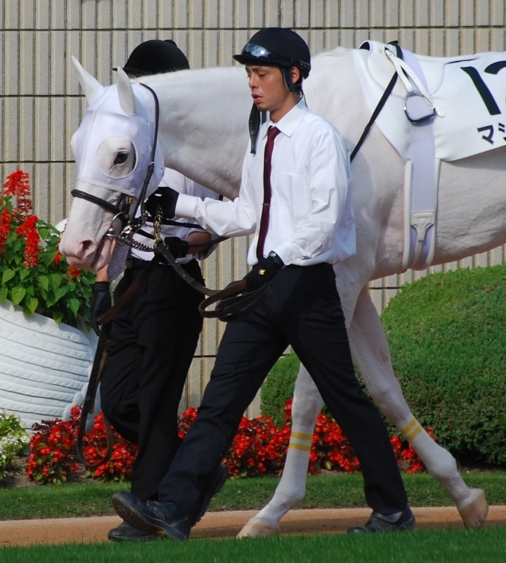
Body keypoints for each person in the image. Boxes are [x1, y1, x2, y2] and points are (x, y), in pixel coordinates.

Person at [112, 28, 415, 539]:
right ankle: (174, 509)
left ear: (293, 76)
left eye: (262, 74)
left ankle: (392, 509)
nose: (252, 84)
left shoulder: (320, 137)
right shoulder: (261, 138)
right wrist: (179, 205)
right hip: (263, 287)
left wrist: (276, 262)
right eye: (249, 74)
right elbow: (247, 212)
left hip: (306, 289)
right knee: (220, 403)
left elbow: (326, 219)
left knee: (345, 398)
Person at [92, 39, 220, 543]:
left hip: (173, 280)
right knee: (119, 397)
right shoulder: (134, 147)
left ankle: (147, 512)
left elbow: (216, 224)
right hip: (132, 280)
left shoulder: (198, 154)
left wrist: (188, 237)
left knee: (157, 398)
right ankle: (195, 470)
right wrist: (102, 283)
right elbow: (107, 213)